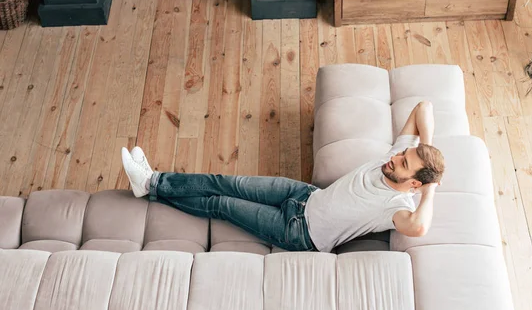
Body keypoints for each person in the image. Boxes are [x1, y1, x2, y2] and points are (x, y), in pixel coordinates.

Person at [121, 101, 445, 253]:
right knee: (225, 181)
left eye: (404, 163)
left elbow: (418, 227)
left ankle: (149, 185)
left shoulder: (396, 205)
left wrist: (430, 190)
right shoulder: (397, 162)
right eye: (402, 154)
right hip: (304, 195)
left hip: (299, 232)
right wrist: (426, 146)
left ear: (415, 184)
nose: (394, 157)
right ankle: (153, 180)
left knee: (220, 203)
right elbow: (423, 107)